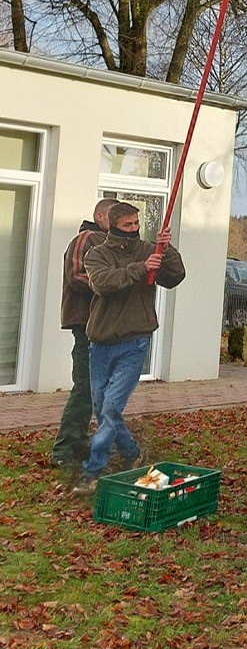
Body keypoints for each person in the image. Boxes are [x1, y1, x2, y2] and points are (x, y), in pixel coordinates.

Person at [71, 202, 185, 495]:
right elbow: (103, 283)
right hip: (101, 341)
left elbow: (175, 277)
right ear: (112, 226)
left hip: (136, 341)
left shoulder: (150, 249)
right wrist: (139, 268)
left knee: (110, 407)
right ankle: (132, 452)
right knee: (102, 408)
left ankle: (92, 470)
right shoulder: (97, 254)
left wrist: (165, 250)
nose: (134, 229)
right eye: (127, 226)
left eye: (136, 224)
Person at [51, 199, 119, 468]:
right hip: (86, 323)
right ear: (100, 216)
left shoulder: (107, 243)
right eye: (114, 217)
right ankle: (63, 450)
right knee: (84, 387)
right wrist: (113, 285)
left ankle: (79, 444)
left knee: (95, 389)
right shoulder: (86, 238)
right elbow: (78, 275)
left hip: (102, 326)